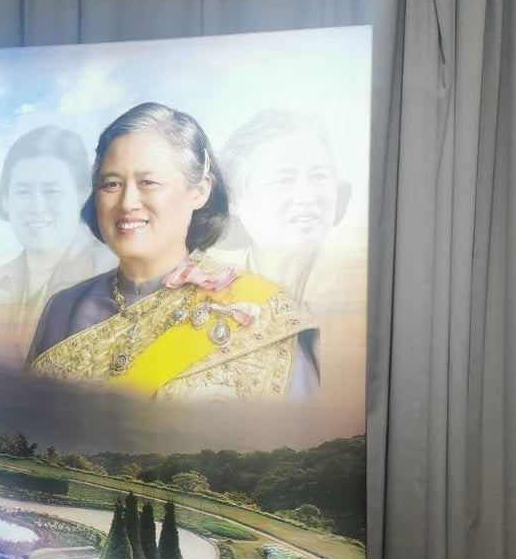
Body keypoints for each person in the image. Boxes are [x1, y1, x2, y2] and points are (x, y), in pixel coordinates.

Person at [26, 102, 318, 402]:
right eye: (111, 184)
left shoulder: (260, 310)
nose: (127, 202)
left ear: (199, 191)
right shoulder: (63, 309)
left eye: (148, 182)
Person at [0, 126, 115, 365]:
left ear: (82, 194)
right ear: (5, 200)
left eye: (51, 191)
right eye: (23, 192)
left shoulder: (116, 275)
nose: (37, 208)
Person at [216, 108, 352, 308]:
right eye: (284, 180)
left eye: (319, 176)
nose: (307, 197)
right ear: (234, 199)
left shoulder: (358, 289)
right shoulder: (210, 293)